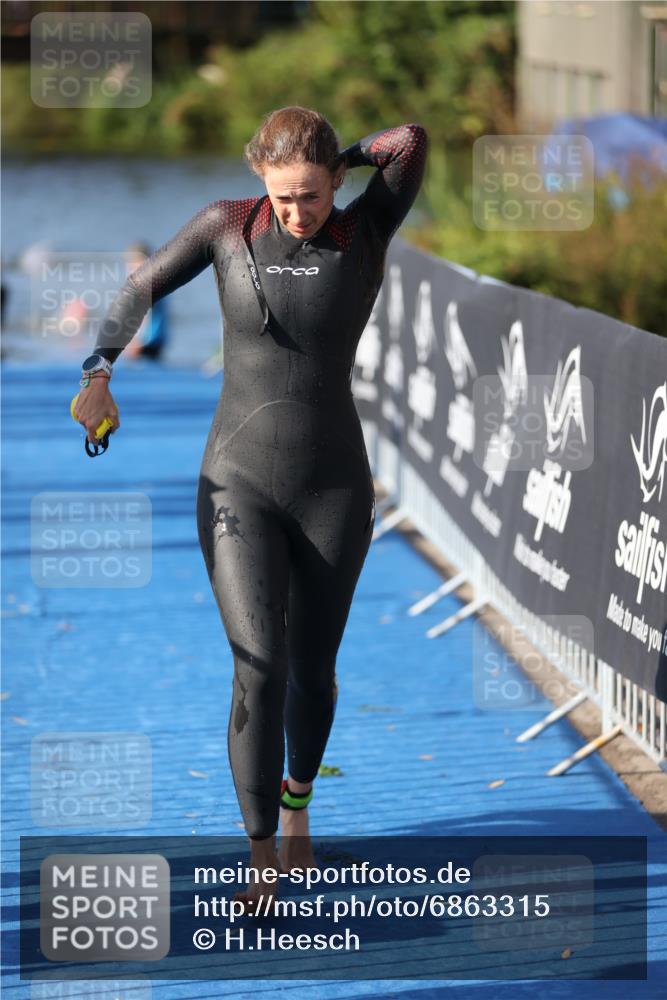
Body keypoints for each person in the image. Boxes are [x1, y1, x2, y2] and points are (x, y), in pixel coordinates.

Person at [72, 106, 428, 913]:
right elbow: (140, 285)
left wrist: (339, 156)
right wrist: (99, 369)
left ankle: (299, 803)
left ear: (337, 181)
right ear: (256, 183)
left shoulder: (363, 230)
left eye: (310, 194)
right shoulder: (227, 227)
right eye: (283, 196)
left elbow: (407, 141)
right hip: (237, 480)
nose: (297, 213)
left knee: (312, 669)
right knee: (257, 666)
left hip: (334, 485)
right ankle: (260, 849)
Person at [122, 242, 170, 361]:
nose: (130, 268)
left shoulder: (146, 284)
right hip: (156, 340)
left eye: (133, 264)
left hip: (147, 343)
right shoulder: (158, 280)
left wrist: (136, 342)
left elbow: (144, 314)